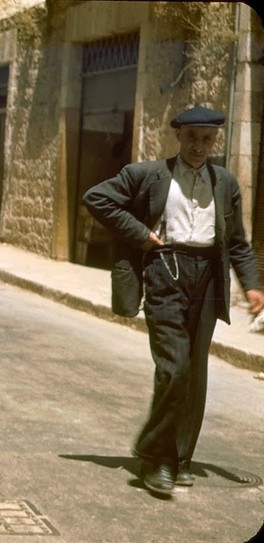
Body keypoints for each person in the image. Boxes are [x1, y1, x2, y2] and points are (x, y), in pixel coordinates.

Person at [83, 106, 264, 497]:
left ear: (215, 141)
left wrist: (252, 286)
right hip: (167, 271)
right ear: (178, 136)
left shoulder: (225, 182)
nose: (200, 147)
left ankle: (180, 459)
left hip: (207, 278)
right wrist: (141, 234)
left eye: (208, 139)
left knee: (195, 373)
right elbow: (97, 198)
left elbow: (237, 243)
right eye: (192, 137)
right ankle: (155, 459)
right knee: (175, 366)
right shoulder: (148, 174)